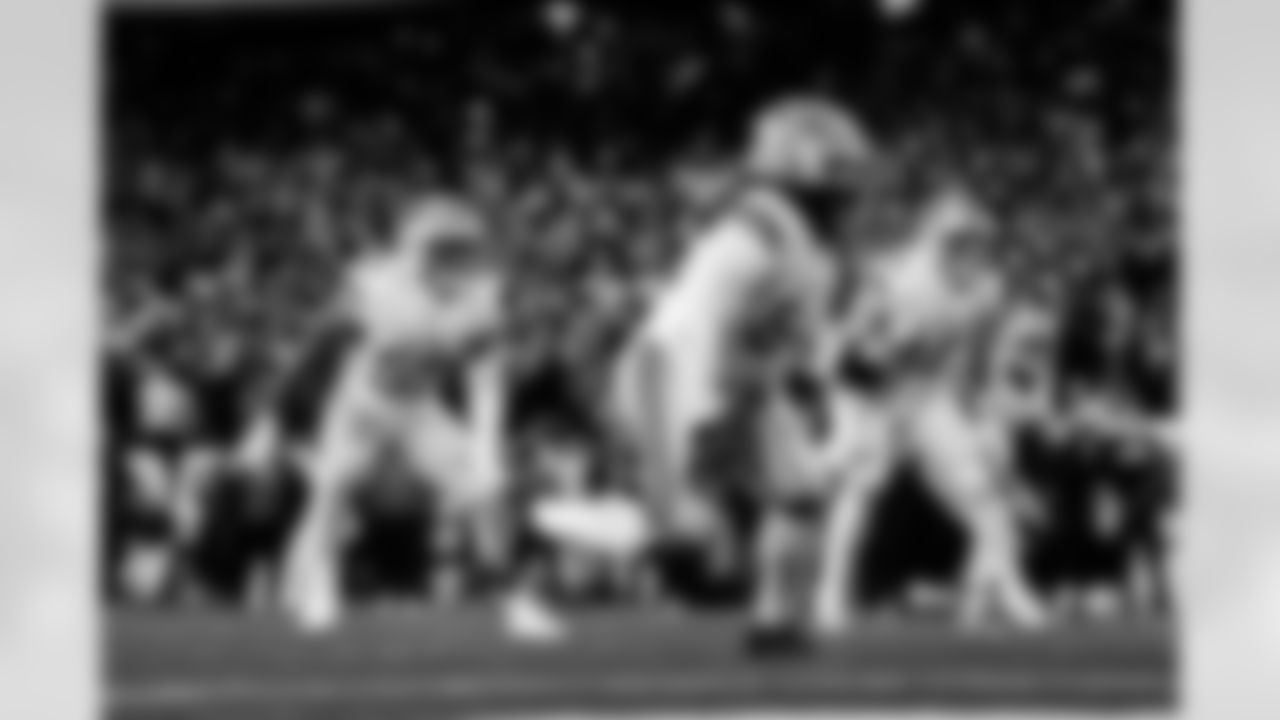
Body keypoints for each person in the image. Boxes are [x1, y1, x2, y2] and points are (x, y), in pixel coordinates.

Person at [586, 96, 878, 651]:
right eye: (838, 176)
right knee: (690, 535)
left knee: (802, 495)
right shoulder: (755, 232)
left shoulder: (813, 248)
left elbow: (802, 342)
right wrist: (698, 419)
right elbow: (700, 321)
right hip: (671, 376)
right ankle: (577, 551)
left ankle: (772, 620)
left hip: (744, 385)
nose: (848, 194)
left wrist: (818, 394)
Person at [258, 194, 510, 633]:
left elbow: (484, 376)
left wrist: (488, 445)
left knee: (484, 487)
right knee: (332, 489)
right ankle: (309, 591)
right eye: (444, 249)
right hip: (363, 402)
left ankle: (511, 594)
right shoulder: (377, 287)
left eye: (461, 249)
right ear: (417, 250)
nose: (455, 260)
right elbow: (317, 350)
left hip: (420, 407)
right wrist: (276, 421)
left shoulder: (480, 297)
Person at [808, 188, 1049, 635]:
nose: (973, 252)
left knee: (982, 494)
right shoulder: (903, 284)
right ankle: (830, 594)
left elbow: (974, 356)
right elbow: (852, 364)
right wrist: (860, 427)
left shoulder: (986, 288)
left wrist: (978, 419)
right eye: (962, 241)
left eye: (977, 242)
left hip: (926, 391)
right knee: (861, 486)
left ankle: (1009, 590)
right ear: (940, 242)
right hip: (870, 393)